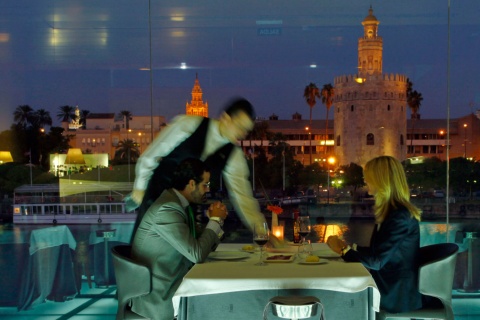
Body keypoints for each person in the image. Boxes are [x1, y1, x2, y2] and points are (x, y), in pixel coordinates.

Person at [126, 97, 265, 241]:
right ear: (225, 118)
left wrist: (261, 230)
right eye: (240, 127)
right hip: (156, 202)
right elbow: (152, 155)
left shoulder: (234, 155)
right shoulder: (189, 124)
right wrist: (140, 187)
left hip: (187, 215)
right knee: (146, 253)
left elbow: (243, 197)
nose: (242, 134)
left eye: (246, 131)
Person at [130, 158, 228, 320]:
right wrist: (215, 221)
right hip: (160, 295)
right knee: (222, 305)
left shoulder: (178, 205)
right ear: (191, 184)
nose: (207, 190)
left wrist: (217, 222)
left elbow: (200, 246)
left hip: (174, 284)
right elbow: (196, 255)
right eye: (205, 184)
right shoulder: (167, 209)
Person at [327, 155, 422, 313]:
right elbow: (378, 253)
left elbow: (377, 261)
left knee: (340, 300)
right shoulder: (395, 213)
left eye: (369, 178)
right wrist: (349, 247)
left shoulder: (399, 216)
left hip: (394, 294)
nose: (366, 182)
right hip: (391, 287)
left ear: (381, 180)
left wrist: (343, 251)